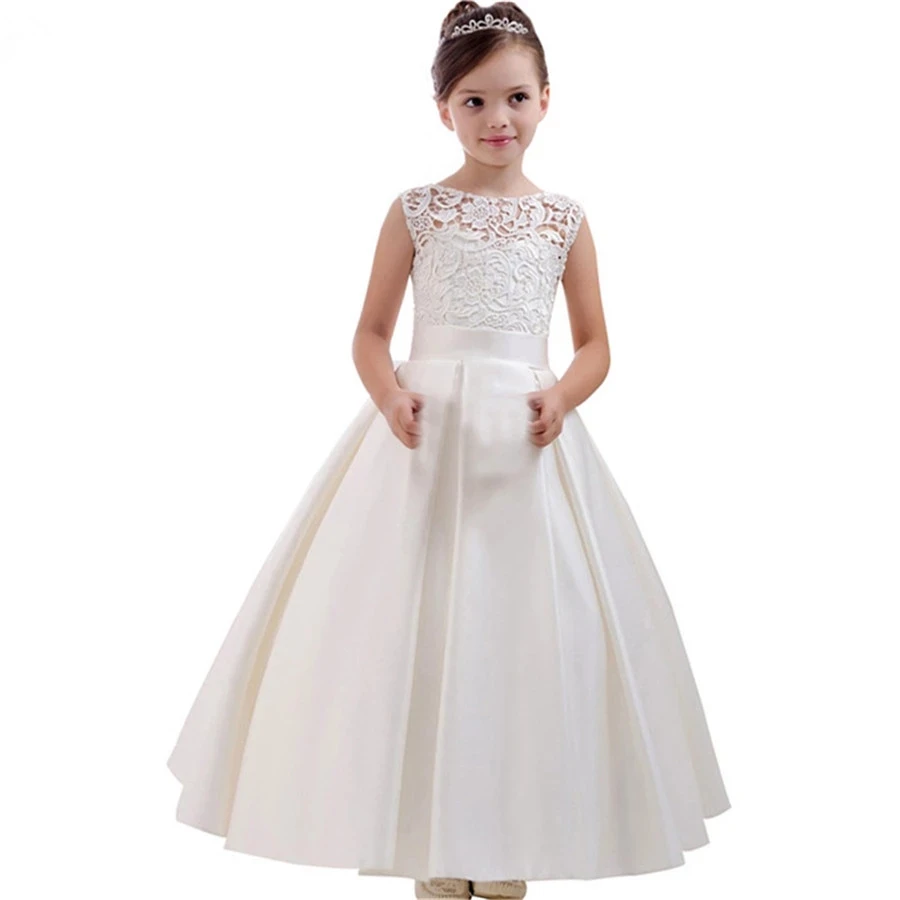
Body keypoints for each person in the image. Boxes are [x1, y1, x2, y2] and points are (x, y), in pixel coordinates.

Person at [166, 3, 732, 898]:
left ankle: (506, 853)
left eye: (515, 98)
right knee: (413, 633)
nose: (497, 119)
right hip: (423, 447)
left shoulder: (564, 220)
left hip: (524, 454)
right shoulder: (416, 211)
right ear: (443, 110)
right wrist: (390, 394)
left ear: (547, 99)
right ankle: (431, 853)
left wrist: (561, 395)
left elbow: (596, 345)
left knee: (524, 635)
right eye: (474, 102)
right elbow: (369, 331)